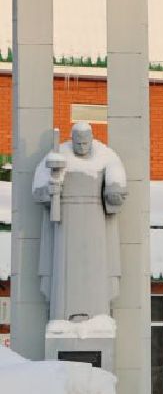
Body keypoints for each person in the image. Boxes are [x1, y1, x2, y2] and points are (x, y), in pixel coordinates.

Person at [33, 122, 127, 322]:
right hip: (66, 224)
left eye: (86, 143)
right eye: (78, 143)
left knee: (96, 273)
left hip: (96, 223)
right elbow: (38, 191)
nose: (82, 147)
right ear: (72, 139)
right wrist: (51, 187)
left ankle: (97, 318)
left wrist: (114, 190)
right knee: (65, 274)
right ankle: (64, 318)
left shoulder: (105, 156)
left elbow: (116, 183)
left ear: (91, 138)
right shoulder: (58, 155)